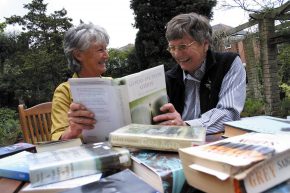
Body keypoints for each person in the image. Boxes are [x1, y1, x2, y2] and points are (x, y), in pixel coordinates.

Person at [153, 12, 246, 134]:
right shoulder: (169, 78)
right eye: (172, 48)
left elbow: (229, 113)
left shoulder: (228, 64)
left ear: (205, 44)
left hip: (217, 146)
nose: (177, 54)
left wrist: (186, 126)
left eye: (183, 46)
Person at [50, 23, 109, 140]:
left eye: (106, 49)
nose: (107, 55)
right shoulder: (64, 91)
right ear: (78, 55)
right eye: (100, 50)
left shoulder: (112, 84)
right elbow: (57, 139)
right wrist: (72, 131)